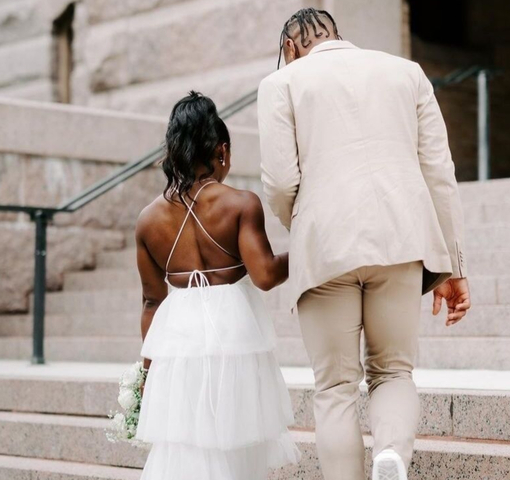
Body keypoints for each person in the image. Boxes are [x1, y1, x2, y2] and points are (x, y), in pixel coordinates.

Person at [257, 8, 471, 480]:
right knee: (393, 371)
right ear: (338, 35)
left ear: (290, 47)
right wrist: (453, 267)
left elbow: (278, 182)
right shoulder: (406, 72)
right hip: (401, 240)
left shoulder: (282, 83)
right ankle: (390, 455)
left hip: (325, 247)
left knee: (334, 386)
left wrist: (307, 224)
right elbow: (439, 171)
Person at [134, 91, 301, 480]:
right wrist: (308, 249)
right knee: (233, 441)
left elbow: (150, 302)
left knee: (185, 446)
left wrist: (147, 373)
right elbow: (265, 275)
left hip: (177, 343)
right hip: (234, 337)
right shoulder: (241, 204)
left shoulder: (147, 220)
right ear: (222, 151)